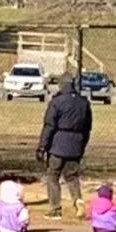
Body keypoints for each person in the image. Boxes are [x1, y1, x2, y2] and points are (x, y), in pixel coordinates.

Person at [36, 74, 93, 220]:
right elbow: (88, 127)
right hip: (76, 144)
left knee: (53, 176)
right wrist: (82, 144)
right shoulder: (84, 102)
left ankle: (55, 209)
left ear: (61, 85)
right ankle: (78, 200)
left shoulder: (57, 102)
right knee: (72, 177)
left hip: (58, 144)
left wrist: (42, 146)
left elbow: (49, 126)